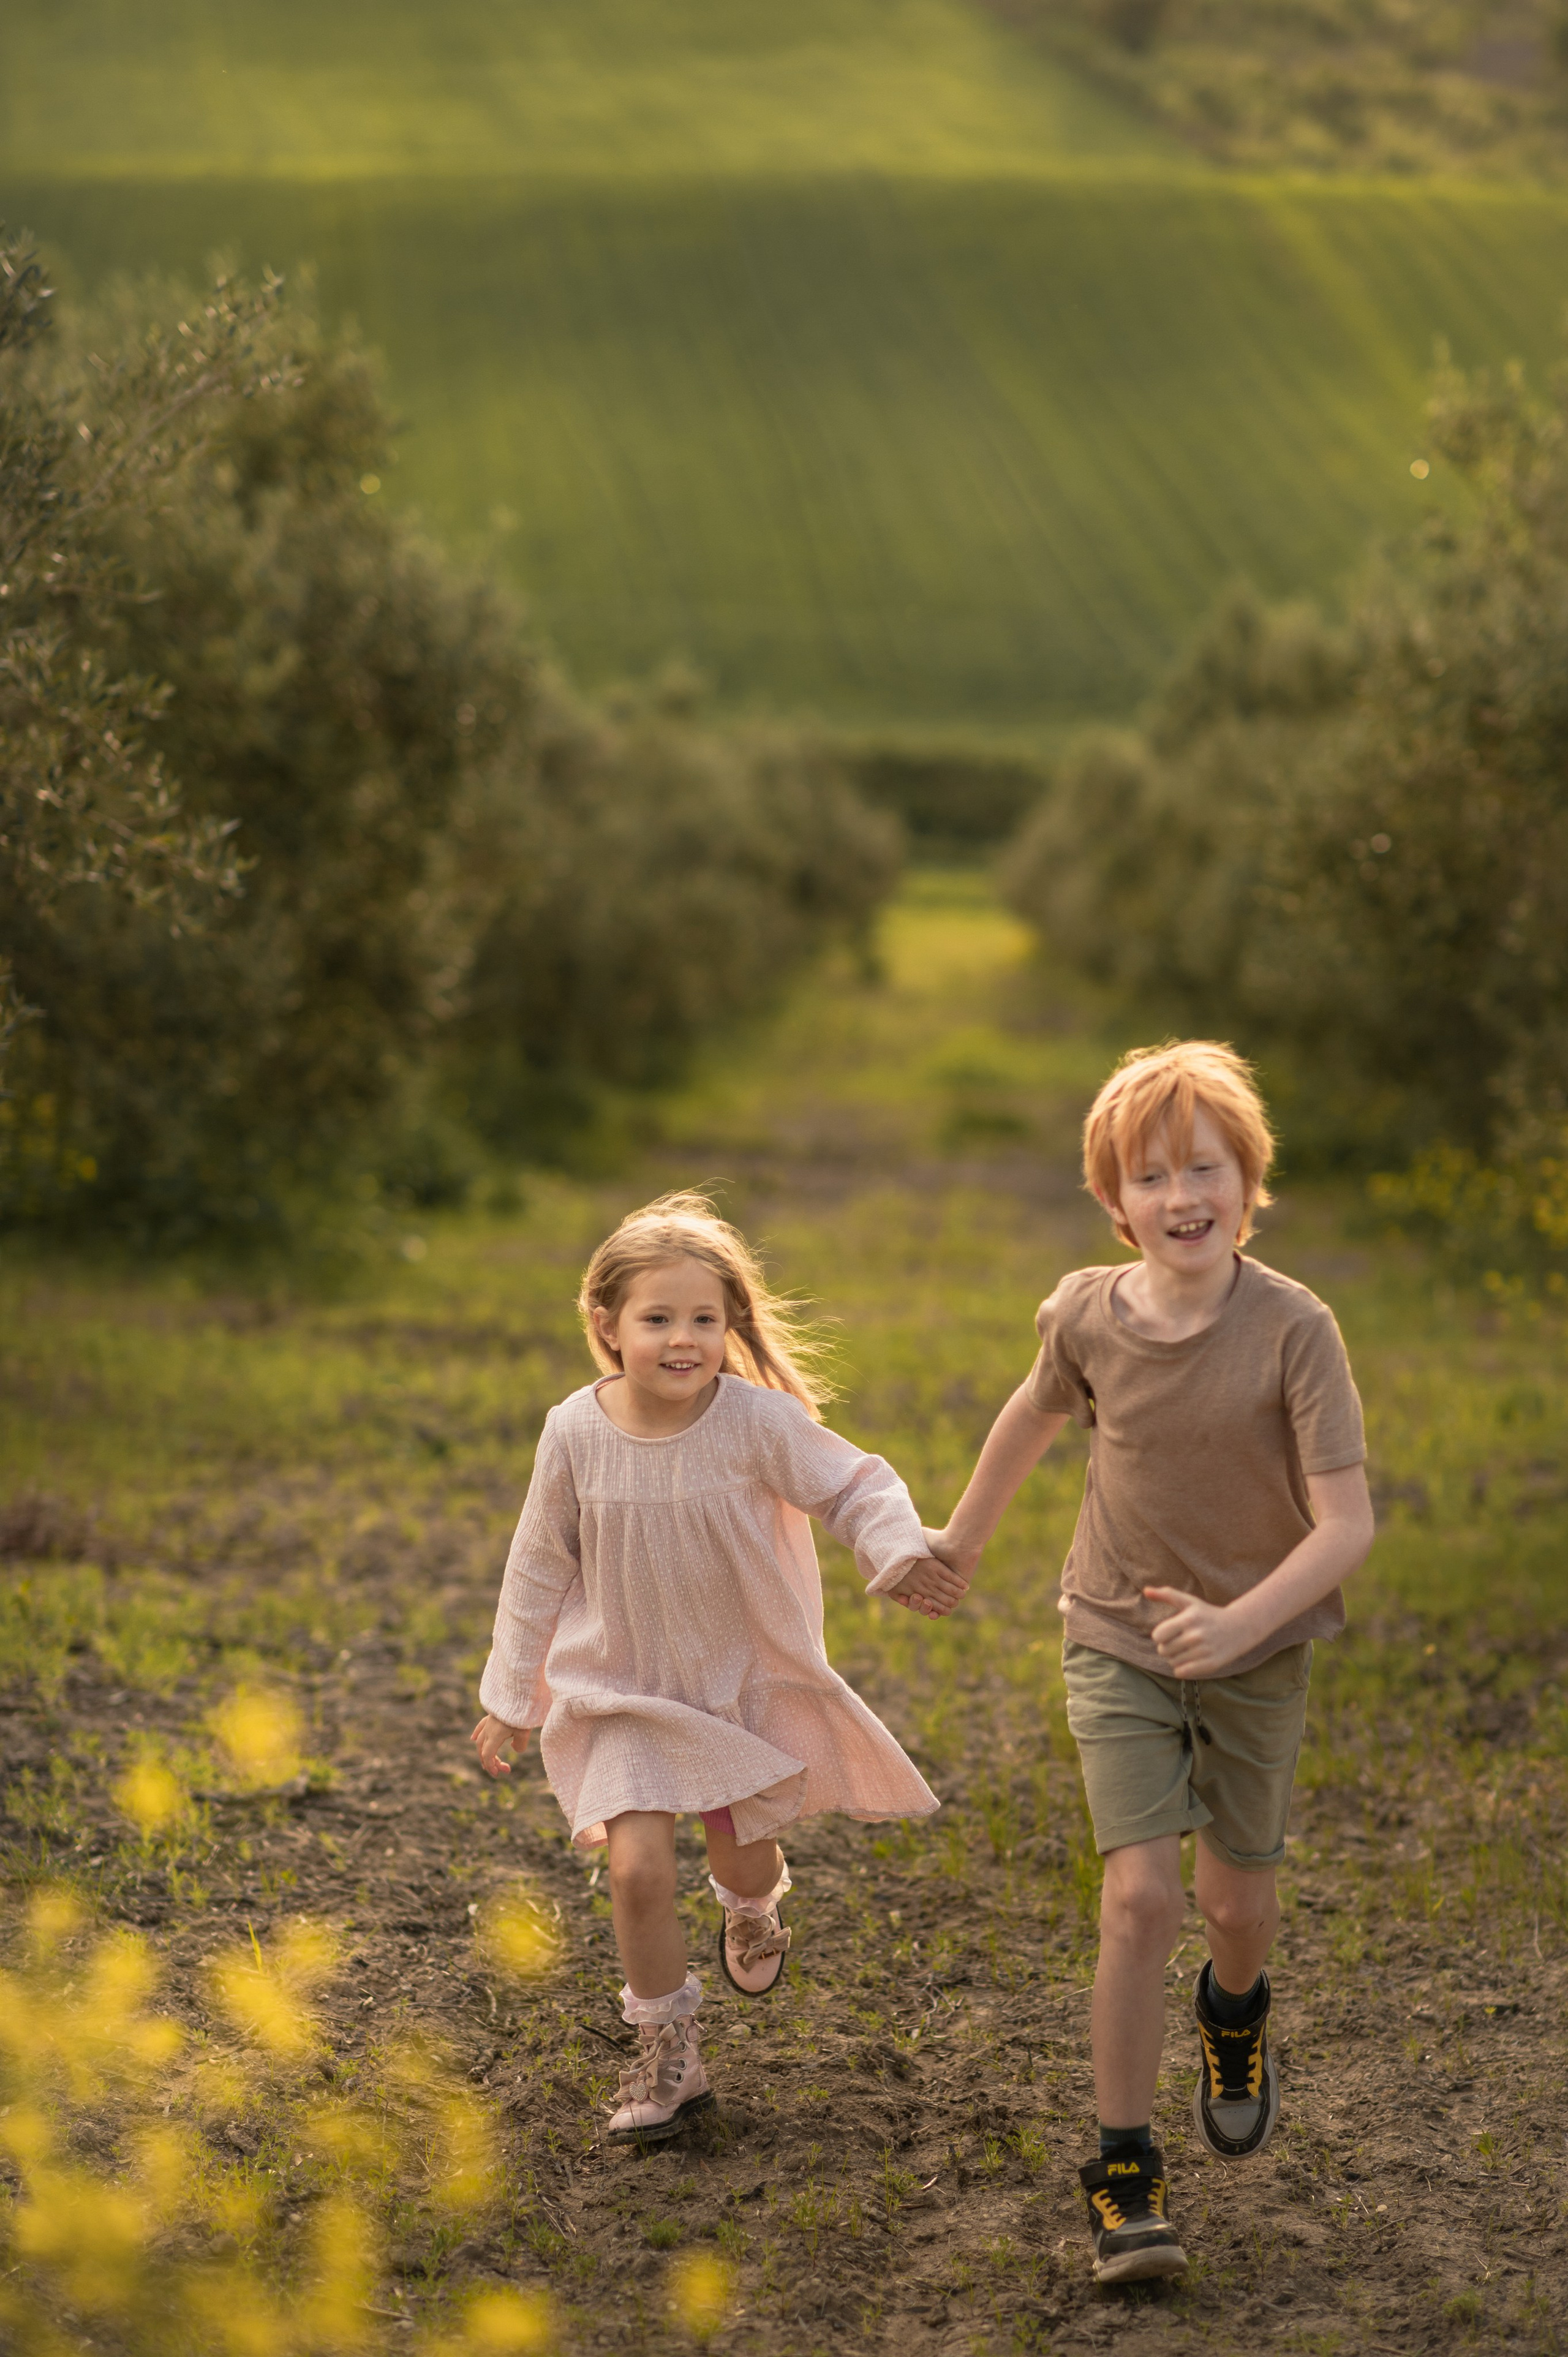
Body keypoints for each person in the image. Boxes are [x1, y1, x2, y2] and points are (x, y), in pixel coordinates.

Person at [926, 1042, 1373, 2283]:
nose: (1181, 1195)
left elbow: (1345, 1525)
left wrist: (1238, 1625)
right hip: (1112, 1634)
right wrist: (958, 1541)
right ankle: (1123, 2167)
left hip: (1255, 1650)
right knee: (1139, 1899)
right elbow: (1032, 1413)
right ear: (1111, 1204)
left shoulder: (1295, 1330)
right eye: (1151, 1174)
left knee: (1233, 1906)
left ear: (1247, 1180)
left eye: (1204, 1167)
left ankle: (1234, 2009)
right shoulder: (1081, 1313)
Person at [472, 1190, 963, 2145]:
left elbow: (855, 1481)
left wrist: (896, 1552)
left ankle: (753, 1902)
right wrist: (510, 1694)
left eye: (705, 1319)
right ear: (608, 1324)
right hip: (619, 1690)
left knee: (740, 1849)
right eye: (659, 1320)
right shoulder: (573, 1431)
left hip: (736, 1682)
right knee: (638, 1871)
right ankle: (670, 2050)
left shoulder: (755, 1423)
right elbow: (538, 1563)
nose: (684, 1340)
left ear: (731, 1324)